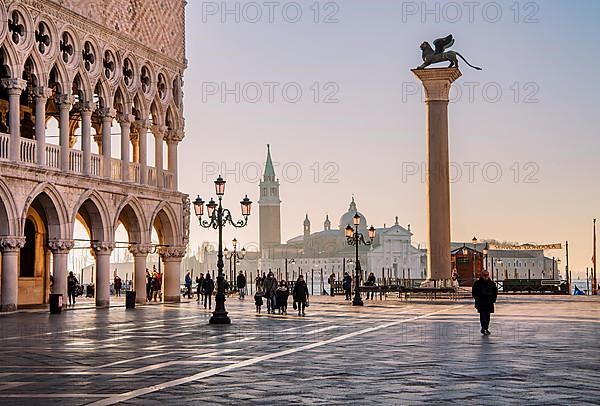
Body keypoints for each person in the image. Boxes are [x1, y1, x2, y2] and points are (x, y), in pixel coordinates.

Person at [472, 270, 498, 335]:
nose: (486, 276)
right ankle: (484, 328)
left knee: (488, 317)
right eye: (484, 275)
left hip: (489, 302)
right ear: (482, 275)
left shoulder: (492, 283)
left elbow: (495, 292)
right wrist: (477, 298)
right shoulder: (477, 283)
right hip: (481, 302)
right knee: (482, 316)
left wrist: (493, 299)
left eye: (487, 275)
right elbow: (474, 292)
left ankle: (485, 328)